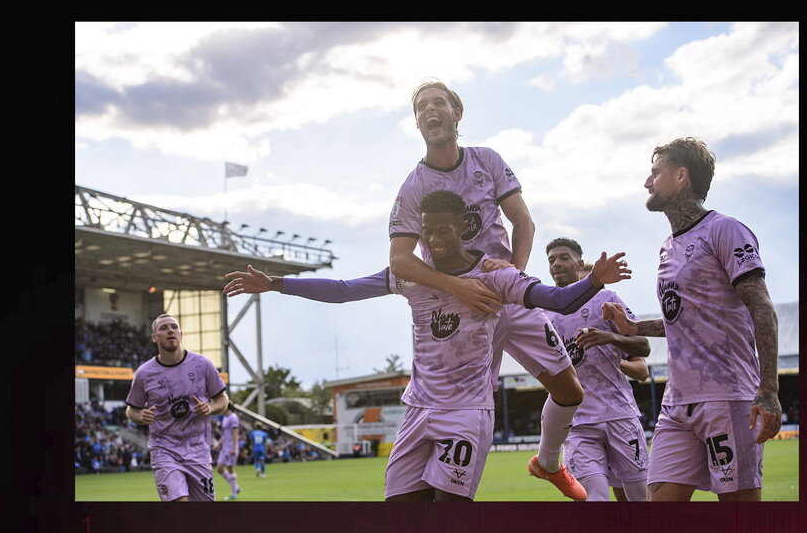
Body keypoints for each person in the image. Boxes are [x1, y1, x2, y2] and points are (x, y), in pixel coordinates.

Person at [225, 190, 631, 500]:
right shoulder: (410, 275)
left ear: (462, 228)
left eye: (442, 229)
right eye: (426, 231)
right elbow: (344, 289)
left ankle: (547, 462)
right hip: (418, 410)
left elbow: (556, 299)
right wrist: (276, 284)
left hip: (467, 413)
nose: (433, 239)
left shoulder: (496, 276)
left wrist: (594, 280)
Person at [387, 78, 592, 499]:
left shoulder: (487, 161)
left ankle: (548, 462)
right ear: (417, 123)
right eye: (421, 107)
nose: (430, 111)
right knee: (461, 404)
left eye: (438, 103)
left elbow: (524, 222)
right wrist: (458, 289)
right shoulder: (413, 186)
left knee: (570, 391)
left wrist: (513, 276)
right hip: (458, 309)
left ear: (456, 113)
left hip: (504, 297)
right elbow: (400, 260)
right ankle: (436, 478)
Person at [601, 137, 781, 501]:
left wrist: (770, 390)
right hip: (677, 404)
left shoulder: (725, 230)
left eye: (655, 172)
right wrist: (634, 329)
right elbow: (681, 316)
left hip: (727, 398)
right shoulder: (668, 246)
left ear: (681, 177)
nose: (647, 182)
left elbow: (761, 308)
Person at [544, 237, 651, 502]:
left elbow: (644, 346)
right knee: (595, 497)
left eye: (564, 257)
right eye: (551, 260)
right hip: (578, 423)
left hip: (620, 415)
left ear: (580, 263)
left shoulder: (606, 298)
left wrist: (609, 337)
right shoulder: (542, 315)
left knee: (638, 499)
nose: (557, 263)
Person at [125, 314, 229, 502]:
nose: (170, 330)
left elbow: (222, 400)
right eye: (164, 328)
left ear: (181, 334)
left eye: (174, 327)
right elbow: (132, 410)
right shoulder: (144, 373)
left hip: (198, 451)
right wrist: (141, 417)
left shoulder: (203, 364)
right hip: (164, 450)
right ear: (154, 338)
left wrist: (210, 408)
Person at [214, 404, 241, 500]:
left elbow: (235, 433)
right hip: (224, 447)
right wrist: (218, 444)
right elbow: (225, 434)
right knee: (219, 468)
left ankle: (233, 494)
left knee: (230, 468)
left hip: (230, 447)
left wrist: (234, 447)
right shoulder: (225, 418)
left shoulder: (233, 417)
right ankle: (235, 487)